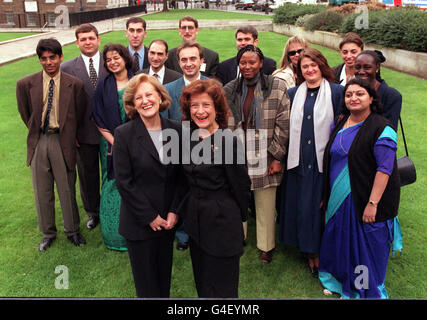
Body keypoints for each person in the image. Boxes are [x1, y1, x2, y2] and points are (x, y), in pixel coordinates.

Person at [319, 78, 402, 299]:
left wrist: (372, 203)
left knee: (363, 248)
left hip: (363, 199)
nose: (353, 98)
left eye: (359, 94)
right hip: (337, 200)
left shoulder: (382, 128)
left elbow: (384, 170)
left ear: (371, 98)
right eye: (348, 95)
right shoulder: (341, 122)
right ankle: (339, 282)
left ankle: (361, 288)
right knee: (339, 242)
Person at [178, 79, 251, 297]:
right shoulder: (187, 137)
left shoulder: (228, 141)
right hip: (196, 222)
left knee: (224, 288)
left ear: (217, 108)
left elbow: (241, 186)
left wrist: (235, 222)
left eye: (206, 104)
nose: (200, 111)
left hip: (222, 225)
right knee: (203, 283)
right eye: (194, 105)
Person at [113, 73, 183, 298]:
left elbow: (182, 177)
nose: (145, 101)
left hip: (167, 222)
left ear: (160, 97)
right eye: (139, 98)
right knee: (147, 288)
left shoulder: (176, 130)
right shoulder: (123, 134)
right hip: (139, 224)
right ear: (133, 104)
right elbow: (124, 182)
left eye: (149, 94)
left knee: (164, 285)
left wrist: (174, 211)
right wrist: (150, 216)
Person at [16, 38, 86, 251]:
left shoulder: (74, 84)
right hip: (39, 140)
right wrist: (37, 132)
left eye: (52, 58)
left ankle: (73, 230)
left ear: (60, 57)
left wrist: (70, 135)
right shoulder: (26, 83)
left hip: (62, 140)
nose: (48, 62)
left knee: (66, 188)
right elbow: (25, 113)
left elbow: (79, 114)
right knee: (42, 190)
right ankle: (48, 233)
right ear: (39, 60)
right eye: (44, 59)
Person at [224, 45, 290, 264]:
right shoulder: (230, 88)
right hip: (238, 155)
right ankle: (237, 238)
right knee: (237, 201)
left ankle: (266, 246)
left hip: (267, 156)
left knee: (265, 204)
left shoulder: (277, 87)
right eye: (243, 62)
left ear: (261, 63)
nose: (247, 66)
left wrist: (276, 157)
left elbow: (284, 123)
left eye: (252, 62)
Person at [280, 48, 343, 276]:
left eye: (313, 65)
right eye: (305, 66)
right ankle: (306, 249)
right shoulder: (293, 93)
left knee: (316, 208)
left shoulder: (337, 92)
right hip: (298, 162)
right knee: (300, 207)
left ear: (321, 66)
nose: (309, 69)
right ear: (300, 70)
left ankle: (316, 251)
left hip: (322, 163)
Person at [161, 40, 210, 251]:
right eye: (184, 60)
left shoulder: (213, 86)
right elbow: (164, 124)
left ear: (201, 61)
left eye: (193, 59)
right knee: (180, 193)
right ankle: (182, 234)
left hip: (208, 151)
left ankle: (204, 230)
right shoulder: (168, 89)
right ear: (178, 62)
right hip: (178, 151)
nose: (189, 63)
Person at [61, 23, 109, 230]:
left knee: (113, 172)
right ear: (77, 43)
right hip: (83, 132)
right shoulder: (67, 68)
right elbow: (64, 106)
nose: (88, 42)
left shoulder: (112, 63)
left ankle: (111, 207)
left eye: (91, 38)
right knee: (88, 174)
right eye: (83, 39)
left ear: (98, 40)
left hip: (110, 131)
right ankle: (94, 212)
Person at [92, 44, 135, 251]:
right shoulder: (103, 85)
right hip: (109, 144)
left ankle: (135, 231)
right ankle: (113, 236)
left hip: (136, 143)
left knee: (133, 183)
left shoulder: (138, 81)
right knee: (112, 183)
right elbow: (98, 116)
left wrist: (128, 143)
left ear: (125, 58)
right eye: (108, 60)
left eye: (116, 57)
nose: (113, 62)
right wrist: (116, 143)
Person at [354, 50, 402, 130]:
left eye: (367, 67)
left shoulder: (392, 95)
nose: (361, 72)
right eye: (357, 67)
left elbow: (389, 130)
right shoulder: (349, 93)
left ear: (377, 68)